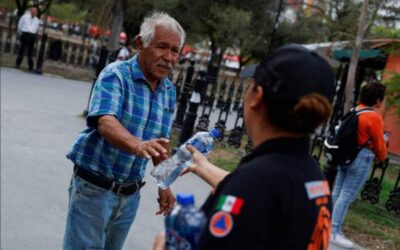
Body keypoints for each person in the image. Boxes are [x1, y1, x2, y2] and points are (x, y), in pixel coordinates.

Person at [154, 44, 336, 249]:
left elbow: (253, 191)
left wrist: (162, 243)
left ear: (257, 96)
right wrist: (201, 166)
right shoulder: (315, 178)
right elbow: (267, 196)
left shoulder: (255, 182)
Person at [63, 12, 185, 250]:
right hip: (94, 189)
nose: (169, 57)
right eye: (162, 47)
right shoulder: (116, 74)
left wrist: (165, 186)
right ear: (140, 44)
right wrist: (137, 145)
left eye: (175, 51)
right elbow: (105, 121)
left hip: (130, 196)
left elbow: (160, 144)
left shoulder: (169, 90)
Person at [330, 82, 387, 248]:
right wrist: (381, 157)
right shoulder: (374, 117)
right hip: (361, 157)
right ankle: (334, 232)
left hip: (345, 154)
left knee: (338, 191)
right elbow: (378, 143)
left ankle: (326, 224)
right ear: (377, 99)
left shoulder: (355, 110)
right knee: (347, 194)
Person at [16, 7, 40, 71]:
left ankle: (30, 66)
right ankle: (18, 64)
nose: (34, 12)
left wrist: (34, 36)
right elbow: (20, 24)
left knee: (30, 51)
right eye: (33, 11)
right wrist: (19, 33)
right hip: (25, 34)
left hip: (32, 35)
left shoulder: (37, 20)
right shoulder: (24, 17)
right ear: (31, 11)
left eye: (36, 11)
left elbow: (37, 29)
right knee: (22, 49)